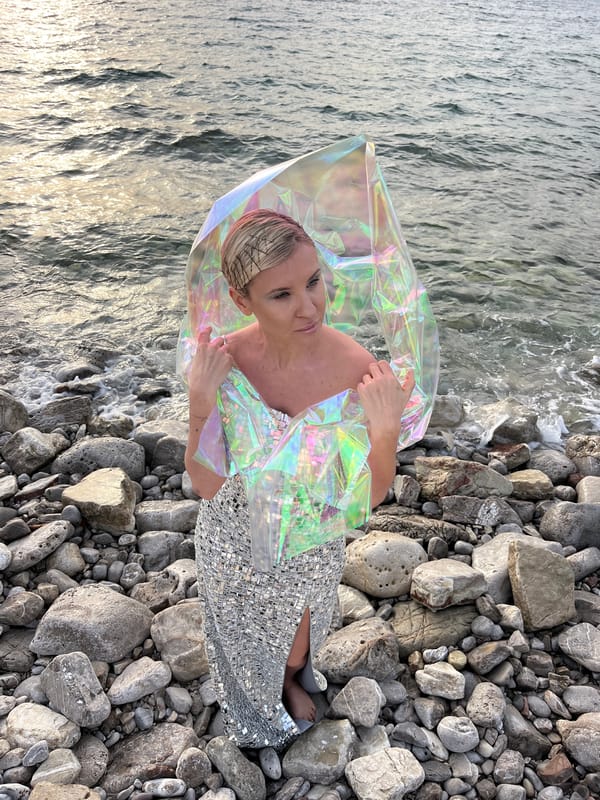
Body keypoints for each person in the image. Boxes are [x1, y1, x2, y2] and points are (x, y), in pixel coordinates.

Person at [185, 209, 414, 749]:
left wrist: (383, 431)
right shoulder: (228, 361)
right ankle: (254, 697)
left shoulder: (353, 367)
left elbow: (369, 497)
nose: (309, 306)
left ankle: (289, 676)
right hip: (232, 529)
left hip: (311, 531)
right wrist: (200, 400)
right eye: (281, 295)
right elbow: (205, 484)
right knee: (240, 634)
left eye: (313, 282)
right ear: (244, 301)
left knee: (294, 638)